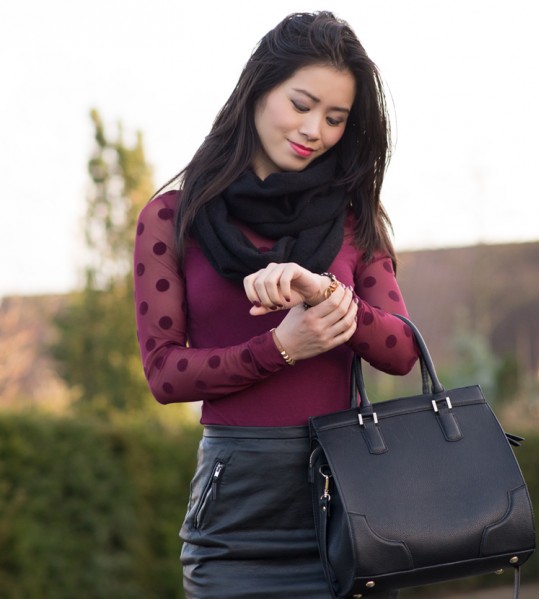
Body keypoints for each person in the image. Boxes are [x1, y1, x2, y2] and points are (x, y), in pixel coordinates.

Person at [133, 11, 418, 599]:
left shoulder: (352, 219)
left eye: (335, 118)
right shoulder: (171, 219)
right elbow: (163, 372)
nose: (315, 129)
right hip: (236, 515)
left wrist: (326, 294)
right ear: (260, 88)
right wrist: (280, 348)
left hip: (351, 504)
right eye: (302, 103)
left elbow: (402, 349)